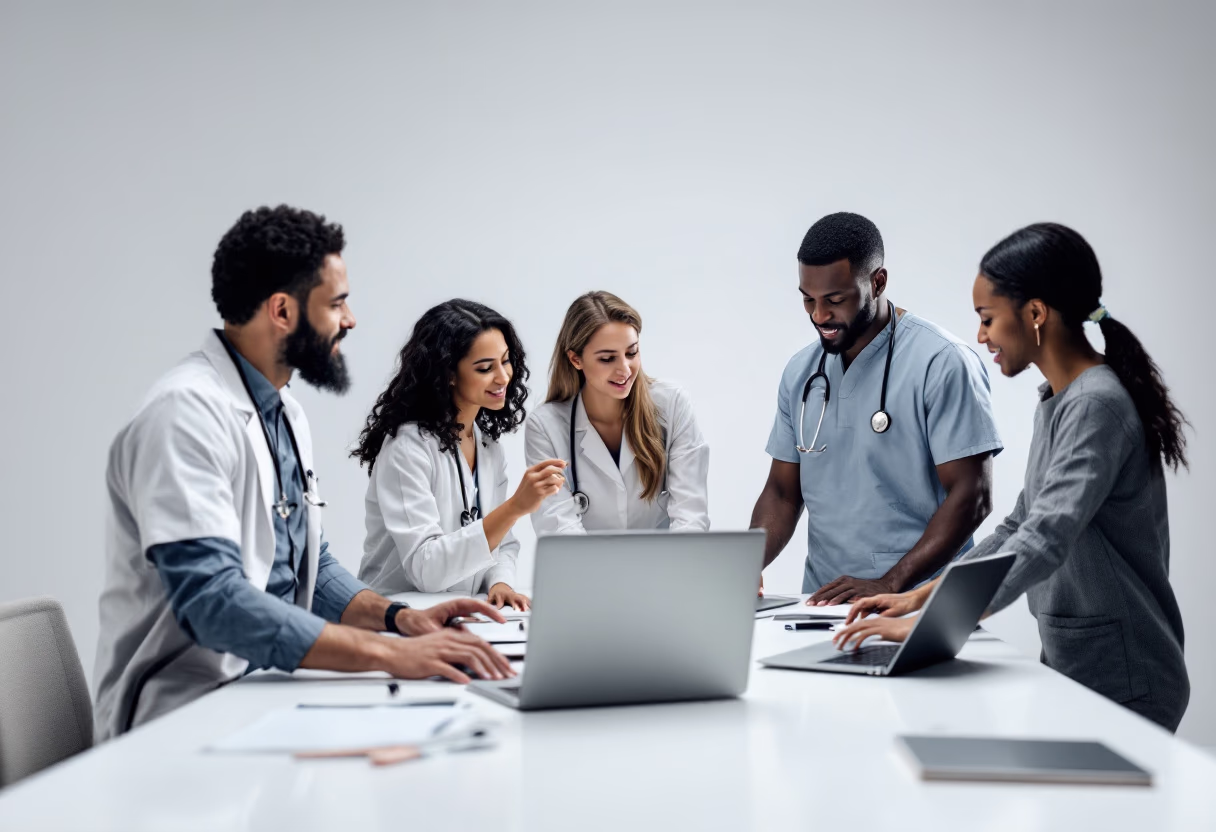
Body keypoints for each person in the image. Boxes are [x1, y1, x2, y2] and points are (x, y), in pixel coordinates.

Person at [94, 207, 512, 742]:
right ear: (282, 311)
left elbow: (304, 570)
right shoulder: (184, 416)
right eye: (337, 303)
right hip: (179, 716)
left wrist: (399, 620)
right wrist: (389, 653)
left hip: (267, 689)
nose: (351, 319)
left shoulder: (284, 412)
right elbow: (214, 603)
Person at [834, 222, 1190, 731]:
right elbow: (1019, 524)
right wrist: (920, 595)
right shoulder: (1059, 401)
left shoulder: (1097, 404)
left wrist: (931, 625)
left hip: (1125, 673)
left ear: (1036, 314)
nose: (981, 337)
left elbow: (1045, 539)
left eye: (988, 319)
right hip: (1080, 664)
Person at [751, 212, 1003, 604]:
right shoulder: (803, 371)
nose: (819, 316)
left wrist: (890, 582)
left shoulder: (941, 362)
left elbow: (973, 495)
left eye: (835, 300)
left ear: (877, 282)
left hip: (919, 602)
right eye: (808, 300)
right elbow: (783, 493)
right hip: (825, 602)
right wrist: (745, 565)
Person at [355, 300, 565, 609]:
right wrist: (515, 507)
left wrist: (500, 581)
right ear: (448, 373)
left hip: (461, 613)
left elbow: (501, 542)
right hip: (396, 615)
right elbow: (427, 570)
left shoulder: (487, 447)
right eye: (484, 368)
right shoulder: (408, 446)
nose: (503, 377)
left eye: (505, 361)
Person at [525, 291, 710, 535]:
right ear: (575, 359)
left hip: (666, 567)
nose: (624, 369)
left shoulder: (673, 405)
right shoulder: (545, 426)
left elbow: (690, 516)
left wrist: (672, 570)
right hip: (586, 572)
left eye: (631, 353)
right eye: (607, 358)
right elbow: (560, 531)